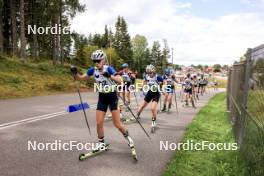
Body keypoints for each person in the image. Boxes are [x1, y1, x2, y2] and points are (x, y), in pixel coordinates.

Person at [70, 50, 135, 151]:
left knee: (117, 124)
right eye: (94, 61)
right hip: (102, 98)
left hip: (112, 97)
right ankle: (101, 143)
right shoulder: (93, 70)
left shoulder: (108, 68)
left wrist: (110, 76)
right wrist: (75, 73)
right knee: (99, 122)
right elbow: (82, 78)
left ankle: (128, 138)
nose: (96, 63)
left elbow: (120, 80)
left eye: (98, 61)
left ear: (103, 60)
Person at [136, 64, 163, 130]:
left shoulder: (158, 77)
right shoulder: (146, 76)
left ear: (154, 71)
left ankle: (153, 121)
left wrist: (160, 85)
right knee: (142, 106)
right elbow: (144, 82)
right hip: (149, 93)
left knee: (153, 108)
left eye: (150, 72)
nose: (149, 74)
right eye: (148, 73)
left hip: (156, 94)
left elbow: (162, 83)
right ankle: (137, 115)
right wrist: (142, 87)